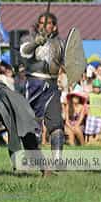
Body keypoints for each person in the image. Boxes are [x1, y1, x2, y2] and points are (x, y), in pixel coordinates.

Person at [20, 11, 65, 160]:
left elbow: (70, 63)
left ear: (54, 26)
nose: (45, 26)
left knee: (56, 123)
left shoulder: (60, 43)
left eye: (49, 23)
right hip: (34, 84)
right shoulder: (29, 38)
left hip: (52, 85)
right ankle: (35, 159)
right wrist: (36, 43)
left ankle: (57, 160)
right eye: (42, 22)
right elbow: (24, 52)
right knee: (34, 123)